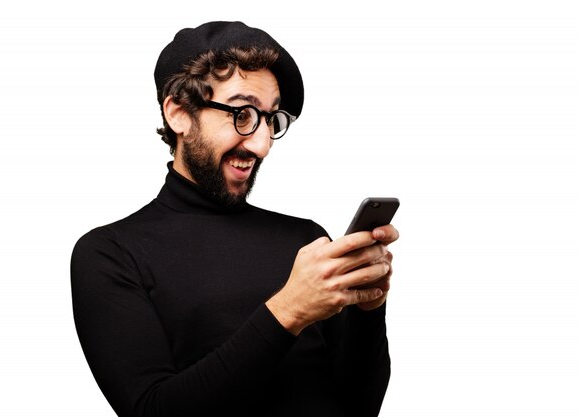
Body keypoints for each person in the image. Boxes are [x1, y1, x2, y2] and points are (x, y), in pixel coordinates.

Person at [71, 21, 399, 417]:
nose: (261, 144)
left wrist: (368, 310)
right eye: (242, 114)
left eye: (271, 119)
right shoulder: (110, 254)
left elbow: (358, 407)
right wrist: (289, 310)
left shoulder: (307, 241)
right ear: (179, 113)